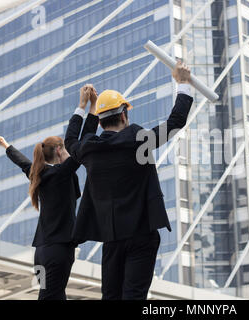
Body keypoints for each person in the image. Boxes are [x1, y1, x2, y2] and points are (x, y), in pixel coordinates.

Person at [65, 60, 193, 300]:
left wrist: (85, 107)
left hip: (111, 238)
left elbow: (71, 141)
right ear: (124, 114)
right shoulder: (137, 140)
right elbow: (175, 122)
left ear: (101, 121)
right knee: (134, 296)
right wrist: (183, 83)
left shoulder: (87, 150)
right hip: (142, 234)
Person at [0, 84, 99, 300]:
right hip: (59, 251)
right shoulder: (60, 173)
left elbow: (23, 163)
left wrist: (6, 145)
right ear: (58, 151)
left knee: (49, 294)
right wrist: (87, 107)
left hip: (41, 253)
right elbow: (84, 144)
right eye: (66, 148)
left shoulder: (38, 174)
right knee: (53, 295)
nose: (69, 151)